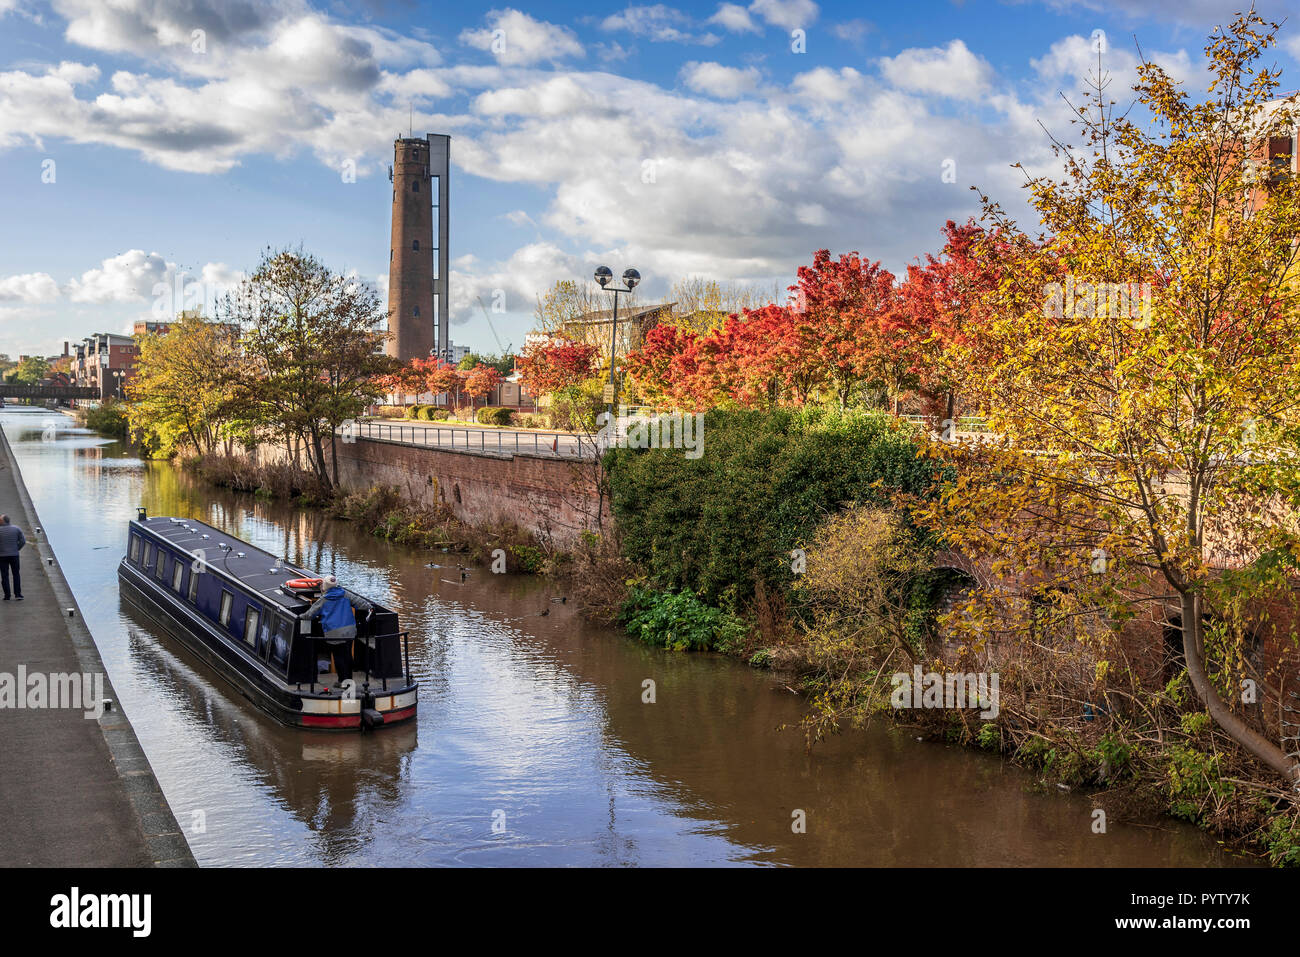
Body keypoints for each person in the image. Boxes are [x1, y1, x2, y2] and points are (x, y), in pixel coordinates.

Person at [304, 575, 372, 685]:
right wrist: (370, 607)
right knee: (348, 655)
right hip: (349, 631)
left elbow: (310, 614)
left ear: (325, 587)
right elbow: (361, 603)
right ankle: (349, 681)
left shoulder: (323, 599)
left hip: (333, 633)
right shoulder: (345, 594)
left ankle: (342, 681)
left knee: (338, 657)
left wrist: (300, 616)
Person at [0, 514, 25, 601]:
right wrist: (17, 548)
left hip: (2, 556)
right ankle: (18, 594)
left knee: (4, 576)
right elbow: (23, 541)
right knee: (16, 574)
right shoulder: (16, 529)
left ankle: (7, 595)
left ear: (3, 521)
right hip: (14, 555)